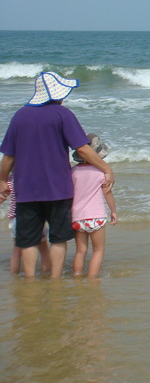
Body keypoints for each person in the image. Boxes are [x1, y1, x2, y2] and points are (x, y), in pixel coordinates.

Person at [0, 71, 114, 278]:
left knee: (28, 240)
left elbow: (8, 156)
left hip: (26, 190)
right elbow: (82, 149)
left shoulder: (20, 116)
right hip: (58, 189)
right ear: (56, 94)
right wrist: (106, 169)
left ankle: (30, 282)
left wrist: (1, 181)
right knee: (58, 239)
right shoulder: (63, 114)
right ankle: (54, 280)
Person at [72, 133, 118, 278]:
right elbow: (107, 193)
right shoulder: (101, 173)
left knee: (80, 251)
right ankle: (92, 278)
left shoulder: (73, 172)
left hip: (77, 217)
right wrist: (113, 211)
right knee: (98, 250)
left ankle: (77, 275)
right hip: (96, 217)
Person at [7, 175, 52, 275]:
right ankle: (46, 272)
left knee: (17, 249)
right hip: (32, 215)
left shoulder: (10, 179)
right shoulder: (31, 178)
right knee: (43, 248)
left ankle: (14, 273)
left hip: (14, 218)